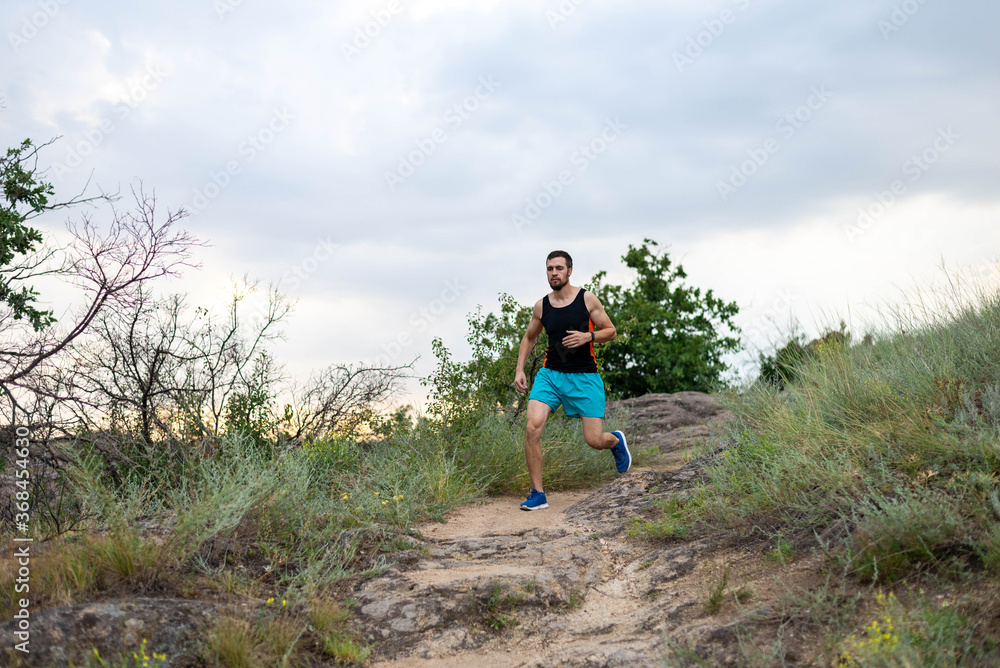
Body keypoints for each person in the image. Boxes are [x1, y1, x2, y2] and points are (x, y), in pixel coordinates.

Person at [513, 250, 630, 511]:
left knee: (594, 440)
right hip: (550, 375)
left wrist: (588, 336)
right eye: (549, 269)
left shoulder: (586, 299)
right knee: (533, 427)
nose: (553, 273)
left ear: (569, 271)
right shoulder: (541, 305)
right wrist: (520, 369)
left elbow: (611, 331)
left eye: (558, 268)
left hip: (584, 378)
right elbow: (529, 337)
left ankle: (616, 441)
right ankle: (538, 494)